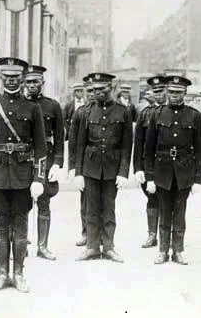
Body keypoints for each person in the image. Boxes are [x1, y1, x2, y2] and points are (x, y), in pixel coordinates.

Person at [0, 57, 47, 293]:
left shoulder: (32, 108)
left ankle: (19, 273)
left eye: (16, 78)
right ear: (1, 79)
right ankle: (3, 273)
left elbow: (41, 146)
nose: (12, 81)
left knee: (21, 224)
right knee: (1, 224)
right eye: (7, 78)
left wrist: (38, 179)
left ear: (22, 79)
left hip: (23, 174)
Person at [144, 75, 201, 265]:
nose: (174, 96)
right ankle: (162, 250)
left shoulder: (194, 116)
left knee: (180, 212)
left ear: (185, 93)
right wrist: (150, 177)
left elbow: (200, 149)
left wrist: (197, 179)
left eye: (178, 93)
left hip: (184, 171)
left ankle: (178, 250)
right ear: (167, 92)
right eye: (171, 92)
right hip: (162, 170)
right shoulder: (157, 114)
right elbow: (149, 148)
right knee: (164, 211)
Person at [74, 73, 133, 262]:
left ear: (112, 88)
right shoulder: (86, 111)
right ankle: (91, 247)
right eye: (95, 89)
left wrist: (123, 172)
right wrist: (78, 173)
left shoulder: (123, 112)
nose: (98, 92)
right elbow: (80, 144)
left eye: (102, 89)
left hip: (111, 168)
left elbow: (126, 145)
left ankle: (108, 247)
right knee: (91, 209)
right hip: (90, 168)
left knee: (109, 208)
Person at [24, 65, 64, 260]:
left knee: (44, 203)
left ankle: (42, 246)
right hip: (23, 160)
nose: (32, 85)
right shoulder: (20, 103)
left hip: (45, 161)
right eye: (29, 81)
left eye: (36, 82)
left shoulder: (53, 106)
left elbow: (59, 137)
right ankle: (21, 245)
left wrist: (57, 163)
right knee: (21, 205)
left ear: (43, 83)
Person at [133, 75, 167, 248]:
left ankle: (166, 235)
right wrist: (138, 168)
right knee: (152, 199)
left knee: (170, 200)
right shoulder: (145, 114)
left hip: (169, 164)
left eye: (161, 90)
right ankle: (152, 235)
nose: (158, 94)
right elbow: (138, 143)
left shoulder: (173, 112)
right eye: (155, 91)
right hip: (149, 165)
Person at [67, 76, 96, 247]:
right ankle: (86, 233)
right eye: (90, 91)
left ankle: (98, 236)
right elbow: (73, 143)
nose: (92, 94)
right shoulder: (81, 112)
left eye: (95, 90)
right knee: (85, 202)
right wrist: (73, 168)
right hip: (84, 165)